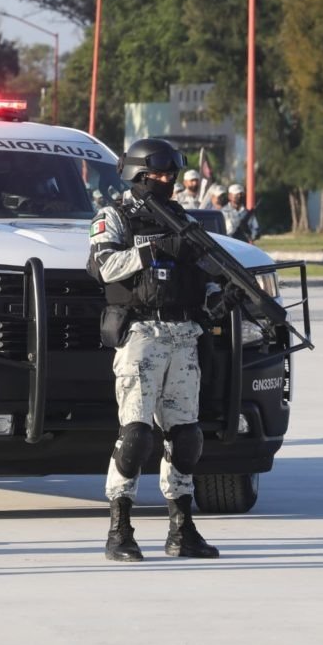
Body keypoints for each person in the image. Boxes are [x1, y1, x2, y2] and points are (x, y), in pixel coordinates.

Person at [88, 138, 225, 563]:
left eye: (171, 175)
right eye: (158, 175)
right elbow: (102, 266)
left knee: (186, 436)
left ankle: (181, 529)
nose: (167, 182)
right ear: (137, 174)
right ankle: (119, 528)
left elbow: (206, 271)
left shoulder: (183, 220)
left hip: (183, 333)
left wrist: (219, 296)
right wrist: (153, 249)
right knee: (136, 435)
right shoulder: (114, 216)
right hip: (142, 332)